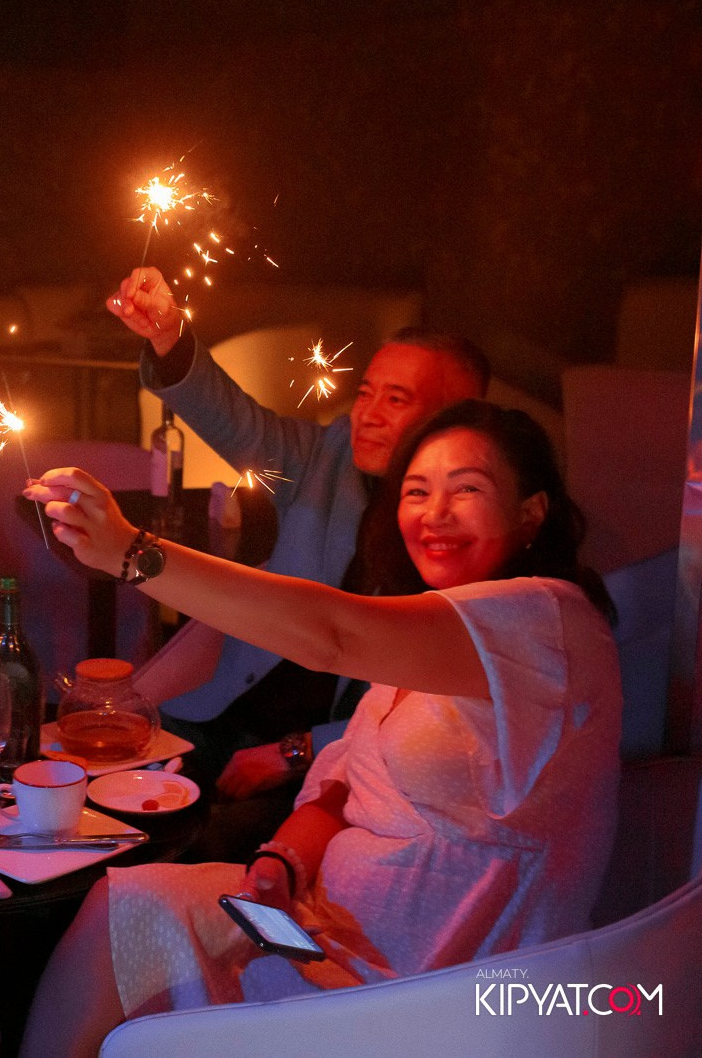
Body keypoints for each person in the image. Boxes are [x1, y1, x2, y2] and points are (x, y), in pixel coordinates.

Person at [17, 400, 620, 1056]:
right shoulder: (423, 631)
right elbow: (344, 784)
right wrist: (281, 861)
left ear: (531, 512)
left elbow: (331, 633)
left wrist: (136, 553)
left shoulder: (548, 622)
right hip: (315, 931)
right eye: (417, 491)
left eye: (467, 489)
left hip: (419, 991)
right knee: (120, 904)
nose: (435, 513)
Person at [109, 267, 490, 821]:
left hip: (333, 768)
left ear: (455, 420)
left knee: (205, 838)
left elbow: (430, 713)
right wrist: (170, 338)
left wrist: (298, 751)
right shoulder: (326, 457)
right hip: (223, 715)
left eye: (396, 400)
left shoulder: (464, 538)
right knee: (97, 794)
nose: (367, 416)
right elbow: (237, 424)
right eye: (366, 393)